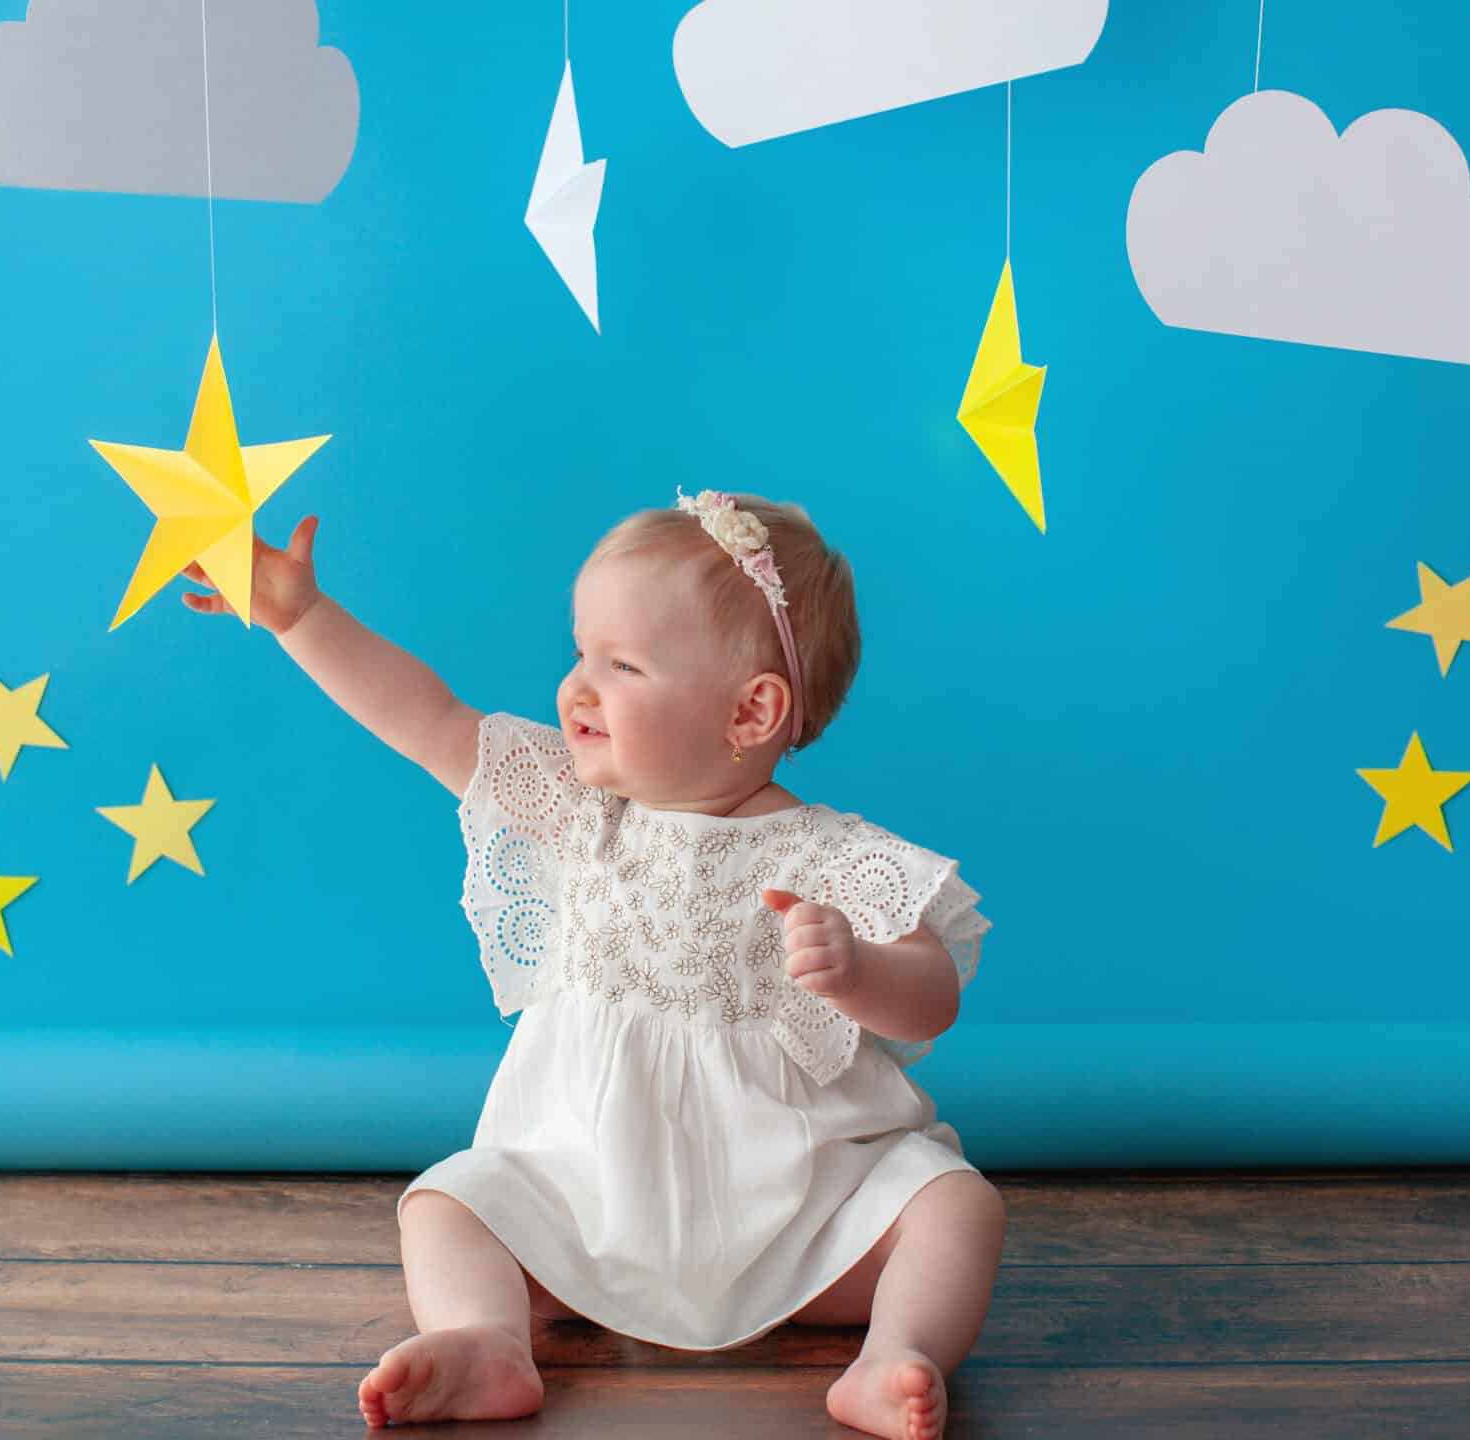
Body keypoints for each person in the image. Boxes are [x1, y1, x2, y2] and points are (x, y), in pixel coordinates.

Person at [179, 489, 1000, 1440]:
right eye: (580, 652)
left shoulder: (827, 856)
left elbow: (931, 998)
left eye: (622, 665)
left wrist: (858, 968)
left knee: (954, 1208)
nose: (576, 686)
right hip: (584, 1210)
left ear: (751, 710)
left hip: (806, 1221)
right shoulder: (581, 812)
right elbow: (429, 719)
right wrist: (302, 616)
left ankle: (895, 1352)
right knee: (448, 1204)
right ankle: (488, 1340)